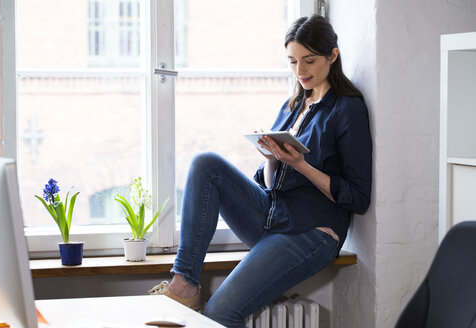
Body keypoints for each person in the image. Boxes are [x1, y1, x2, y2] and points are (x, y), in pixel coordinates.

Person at [147, 14, 372, 328]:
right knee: (206, 164)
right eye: (293, 62)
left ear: (333, 55)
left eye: (309, 61)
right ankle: (184, 283)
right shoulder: (294, 104)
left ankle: (187, 290)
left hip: (313, 232)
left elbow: (358, 198)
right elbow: (270, 185)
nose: (300, 71)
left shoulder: (347, 109)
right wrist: (271, 158)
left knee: (220, 313)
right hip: (273, 218)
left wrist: (301, 166)